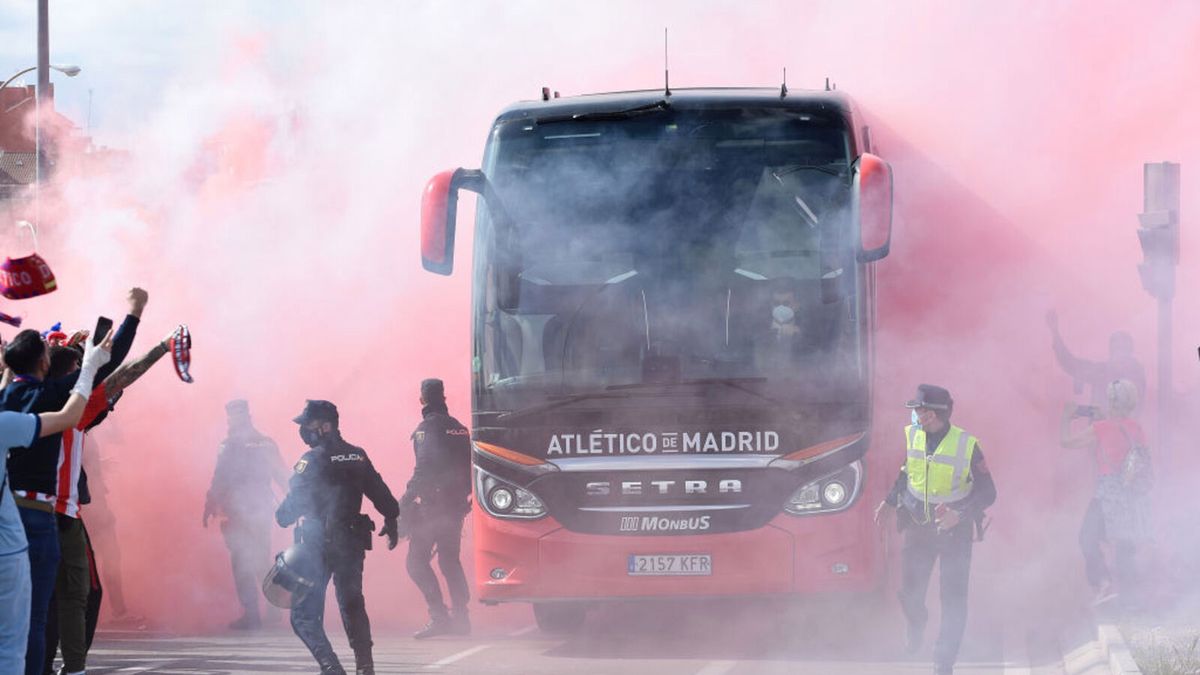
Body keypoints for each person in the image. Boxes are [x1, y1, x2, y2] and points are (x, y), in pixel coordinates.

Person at [2, 289, 145, 675]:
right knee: (37, 612)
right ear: (44, 362)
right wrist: (132, 315)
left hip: (9, 515)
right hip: (37, 517)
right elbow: (103, 376)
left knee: (16, 611)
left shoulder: (4, 404)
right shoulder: (47, 402)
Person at [42, 329, 181, 674]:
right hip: (58, 514)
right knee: (79, 596)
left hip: (22, 514)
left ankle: (41, 665)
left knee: (41, 597)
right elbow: (123, 375)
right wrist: (162, 346)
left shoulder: (16, 397)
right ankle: (71, 667)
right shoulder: (73, 408)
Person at [1, 330, 112, 675]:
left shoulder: (12, 410)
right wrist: (92, 362)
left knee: (42, 607)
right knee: (42, 609)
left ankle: (66, 666)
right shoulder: (56, 407)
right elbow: (75, 406)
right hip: (41, 519)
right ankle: (64, 667)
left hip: (43, 517)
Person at [874, 384, 997, 675]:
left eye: (918, 409)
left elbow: (989, 493)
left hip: (955, 533)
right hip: (918, 528)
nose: (914, 414)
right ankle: (917, 623)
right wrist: (889, 502)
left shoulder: (967, 445)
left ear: (931, 414)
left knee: (953, 599)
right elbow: (907, 473)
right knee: (909, 593)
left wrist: (960, 514)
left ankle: (943, 661)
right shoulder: (914, 435)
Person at [276, 400, 400, 675]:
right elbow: (383, 496)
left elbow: (289, 510)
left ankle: (331, 668)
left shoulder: (310, 461)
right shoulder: (358, 455)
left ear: (325, 426)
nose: (304, 431)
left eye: (307, 426)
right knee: (352, 603)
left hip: (316, 546)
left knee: (303, 615)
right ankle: (365, 668)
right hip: (351, 541)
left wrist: (280, 513)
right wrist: (391, 519)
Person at [1060, 379, 1146, 606]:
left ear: (1112, 400)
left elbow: (1066, 442)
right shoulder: (1136, 428)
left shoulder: (1101, 427)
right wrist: (1103, 421)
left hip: (1106, 495)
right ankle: (1130, 598)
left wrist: (1066, 417)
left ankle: (1102, 583)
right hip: (1129, 497)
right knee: (1124, 545)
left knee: (1087, 537)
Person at [203, 399, 288, 630]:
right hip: (262, 508)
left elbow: (219, 478)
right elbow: (282, 475)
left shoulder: (229, 445)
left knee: (242, 562)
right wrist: (294, 501)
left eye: (232, 417)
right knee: (261, 559)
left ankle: (252, 615)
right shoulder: (266, 443)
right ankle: (273, 608)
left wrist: (209, 504)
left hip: (239, 512)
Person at [403, 378, 473, 639]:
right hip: (455, 508)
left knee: (415, 562)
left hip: (432, 508)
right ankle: (462, 618)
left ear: (422, 399)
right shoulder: (460, 428)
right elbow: (469, 469)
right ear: (443, 397)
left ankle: (439, 617)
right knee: (449, 560)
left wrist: (403, 502)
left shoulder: (426, 429)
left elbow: (422, 472)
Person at [1046, 310, 1146, 407]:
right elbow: (1071, 364)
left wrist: (1055, 333)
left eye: (1122, 348)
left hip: (1110, 423)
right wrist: (1055, 334)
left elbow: (1071, 364)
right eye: (1116, 348)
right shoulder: (1104, 371)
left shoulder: (1109, 372)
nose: (1120, 354)